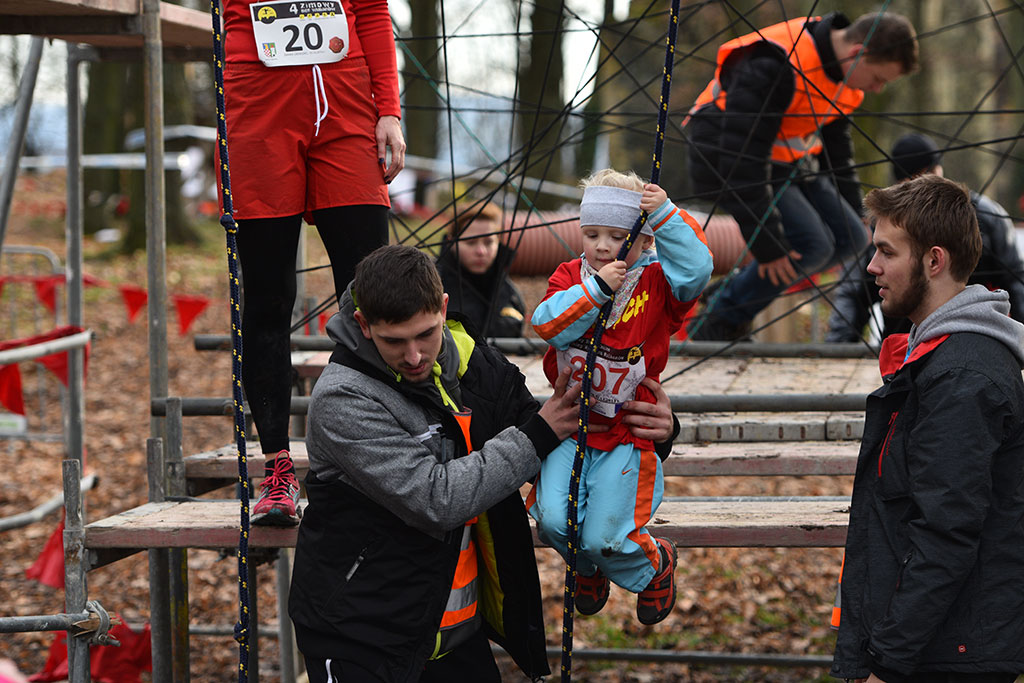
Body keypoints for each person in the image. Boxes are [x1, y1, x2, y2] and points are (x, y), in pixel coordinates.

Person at [288, 245, 680, 681]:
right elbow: (437, 498)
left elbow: (548, 443)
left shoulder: (471, 358)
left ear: (443, 308)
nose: (415, 356)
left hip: (456, 631)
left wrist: (648, 432)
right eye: (393, 341)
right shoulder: (344, 397)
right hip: (362, 634)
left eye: (426, 334)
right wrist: (541, 432)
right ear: (363, 325)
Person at [830, 175, 1024, 683]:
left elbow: (945, 535)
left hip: (946, 657)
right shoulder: (938, 359)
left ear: (934, 261)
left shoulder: (963, 376)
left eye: (886, 252)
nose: (871, 267)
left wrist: (887, 663)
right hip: (933, 646)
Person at [221, 0, 407, 525]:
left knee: (376, 292)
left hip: (345, 102)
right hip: (255, 104)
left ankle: (378, 454)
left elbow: (370, 10)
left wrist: (387, 108)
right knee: (267, 297)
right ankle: (277, 470)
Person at [528, 169, 713, 625]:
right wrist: (595, 291)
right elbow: (548, 323)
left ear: (645, 240)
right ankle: (588, 569)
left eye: (617, 235)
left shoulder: (657, 282)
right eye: (591, 234)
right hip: (572, 427)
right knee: (552, 520)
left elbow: (697, 271)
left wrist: (665, 215)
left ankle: (654, 567)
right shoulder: (570, 277)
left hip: (626, 432)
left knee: (607, 536)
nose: (602, 246)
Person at [685, 11, 918, 340]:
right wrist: (769, 247)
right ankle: (719, 319)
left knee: (853, 234)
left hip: (788, 163)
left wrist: (864, 215)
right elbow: (742, 162)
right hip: (726, 157)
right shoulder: (774, 62)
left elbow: (839, 155)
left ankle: (730, 296)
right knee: (814, 245)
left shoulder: (846, 82)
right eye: (879, 77)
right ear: (858, 53)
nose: (878, 89)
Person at [827, 132, 1024, 342]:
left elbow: (1017, 283)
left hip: (970, 343)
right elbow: (853, 294)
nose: (921, 188)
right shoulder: (884, 224)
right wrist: (839, 351)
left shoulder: (987, 217)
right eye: (911, 182)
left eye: (927, 175)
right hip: (903, 355)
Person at [434, 202, 526, 337]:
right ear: (451, 242)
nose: (481, 251)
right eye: (471, 242)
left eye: (488, 242)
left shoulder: (510, 293)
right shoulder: (432, 287)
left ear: (499, 241)